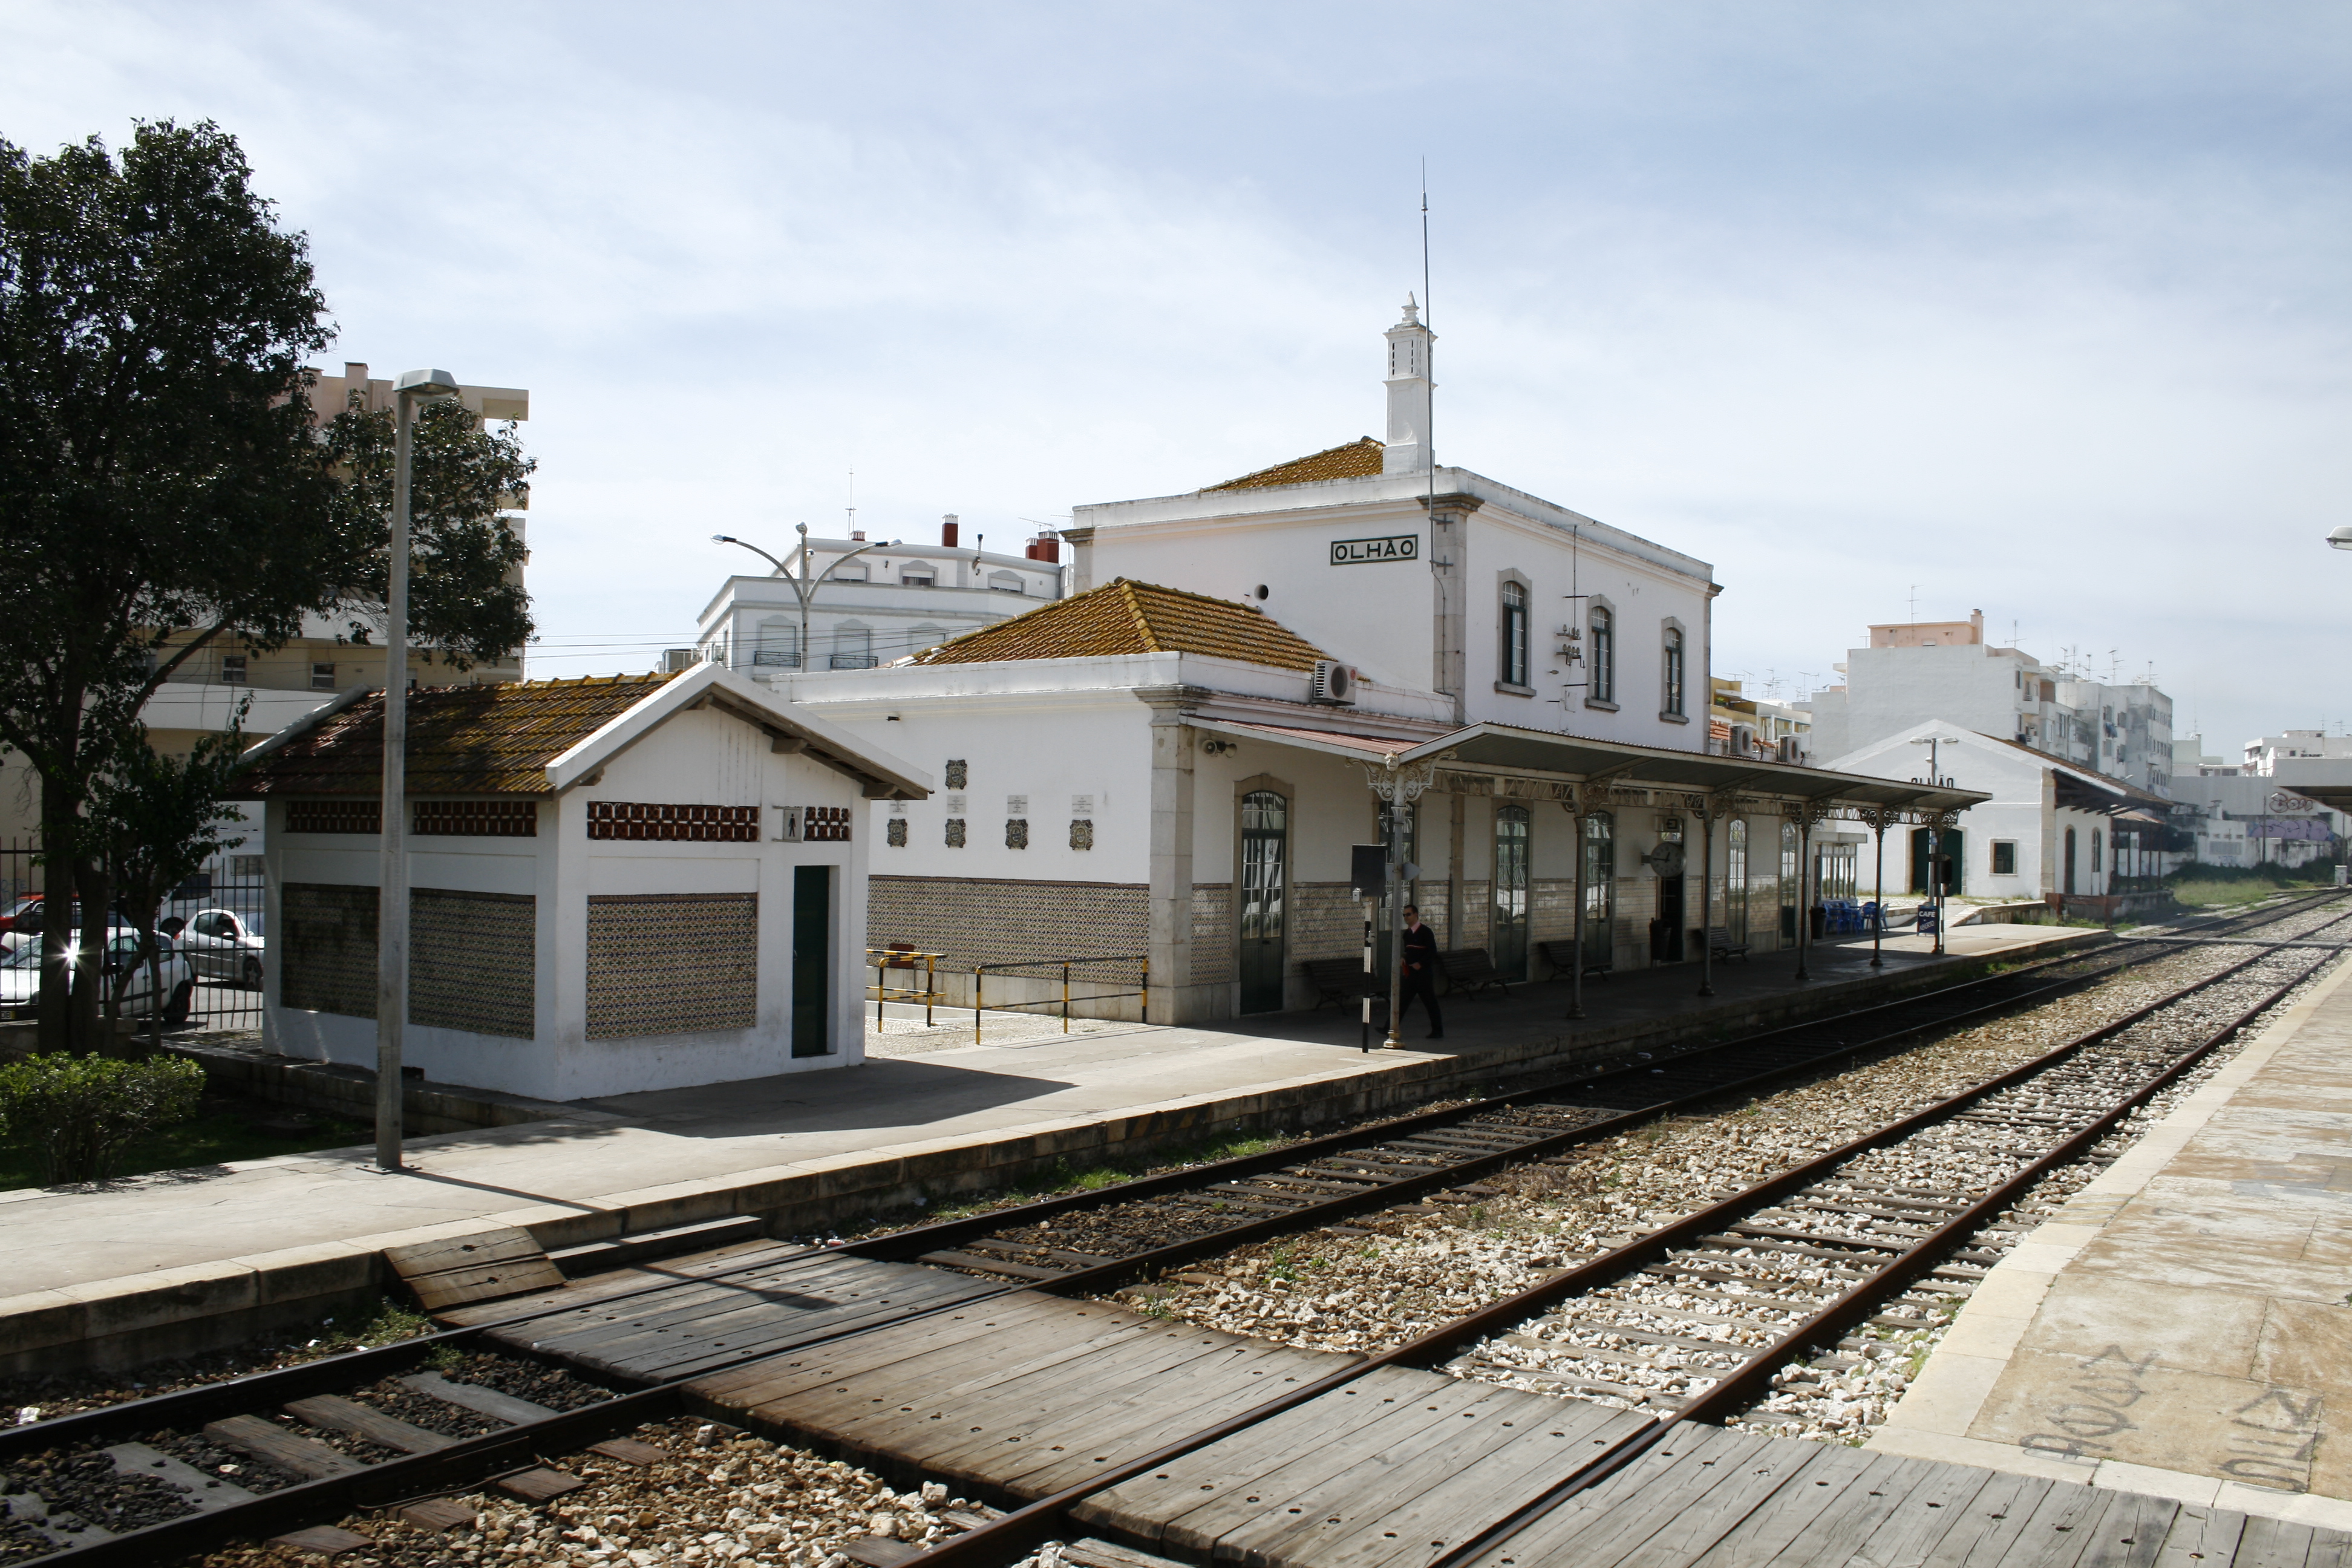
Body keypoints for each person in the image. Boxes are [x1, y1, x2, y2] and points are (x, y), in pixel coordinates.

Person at [1398, 903, 1443, 1040]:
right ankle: (1389, 1027)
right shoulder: (1407, 934)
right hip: (1410, 974)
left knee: (1430, 1003)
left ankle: (1438, 1031)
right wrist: (1404, 958)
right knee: (1402, 1002)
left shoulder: (1426, 932)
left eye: (1409, 914)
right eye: (1404, 915)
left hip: (1423, 975)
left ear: (1416, 915)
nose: (1406, 917)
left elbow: (1432, 951)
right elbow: (1408, 951)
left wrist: (1421, 964)